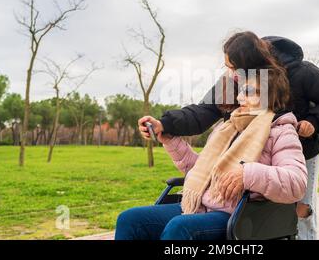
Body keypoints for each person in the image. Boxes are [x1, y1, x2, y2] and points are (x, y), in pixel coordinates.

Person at [139, 31, 319, 240]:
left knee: (299, 215)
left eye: (233, 67)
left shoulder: (300, 73)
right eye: (228, 67)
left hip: (300, 148)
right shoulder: (235, 80)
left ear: (250, 64)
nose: (231, 75)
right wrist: (165, 124)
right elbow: (205, 110)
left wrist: (313, 122)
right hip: (248, 150)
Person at [115, 65, 307, 240]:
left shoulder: (281, 131)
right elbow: (201, 170)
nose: (239, 97)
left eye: (248, 92)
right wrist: (169, 139)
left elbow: (296, 182)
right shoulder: (229, 126)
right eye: (241, 90)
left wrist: (247, 174)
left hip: (239, 215)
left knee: (180, 228)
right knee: (129, 219)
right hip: (200, 205)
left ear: (269, 95)